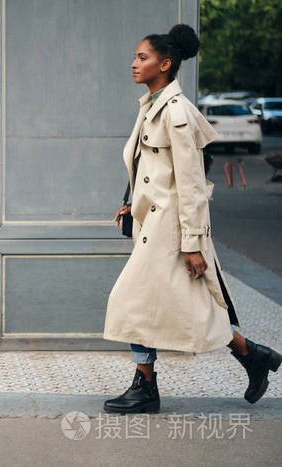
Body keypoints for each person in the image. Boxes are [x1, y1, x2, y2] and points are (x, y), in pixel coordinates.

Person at [103, 24, 280, 414]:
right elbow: (154, 170)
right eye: (136, 56)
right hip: (155, 224)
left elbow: (192, 184)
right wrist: (133, 203)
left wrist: (194, 244)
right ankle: (254, 355)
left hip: (172, 231)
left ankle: (145, 387)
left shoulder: (177, 112)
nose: (134, 64)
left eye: (143, 58)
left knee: (132, 302)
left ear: (165, 64)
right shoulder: (151, 105)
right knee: (189, 308)